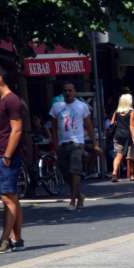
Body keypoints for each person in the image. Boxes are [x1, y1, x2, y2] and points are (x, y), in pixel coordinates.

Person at [0, 66, 26, 254]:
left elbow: (16, 130)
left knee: (7, 198)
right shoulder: (0, 101)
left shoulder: (12, 100)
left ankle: (5, 240)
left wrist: (7, 155)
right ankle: (17, 238)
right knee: (11, 199)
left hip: (7, 156)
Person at [49, 82, 97, 210]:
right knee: (65, 172)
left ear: (74, 92)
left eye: (70, 90)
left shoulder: (82, 106)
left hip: (77, 143)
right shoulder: (57, 107)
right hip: (62, 143)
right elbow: (53, 127)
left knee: (75, 170)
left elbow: (89, 126)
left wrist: (94, 143)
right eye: (65, 90)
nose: (68, 93)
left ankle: (72, 200)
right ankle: (79, 195)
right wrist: (54, 144)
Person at [108, 94, 134, 182]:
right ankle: (132, 175)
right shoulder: (131, 111)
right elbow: (131, 126)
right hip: (127, 136)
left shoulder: (117, 111)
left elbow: (112, 123)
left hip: (117, 135)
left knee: (118, 155)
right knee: (130, 156)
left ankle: (114, 173)